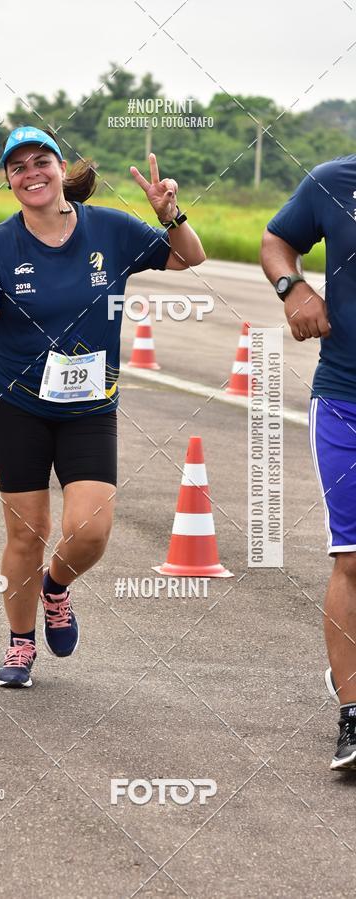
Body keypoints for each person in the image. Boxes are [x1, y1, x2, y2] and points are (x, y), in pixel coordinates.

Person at [0, 125, 206, 688]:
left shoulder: (110, 228)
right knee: (27, 533)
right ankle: (20, 644)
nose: (32, 174)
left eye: (41, 162)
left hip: (89, 405)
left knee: (92, 530)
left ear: (60, 168)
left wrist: (169, 213)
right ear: (9, 180)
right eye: (18, 167)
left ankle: (56, 586)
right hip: (16, 402)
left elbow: (187, 258)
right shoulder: (2, 245)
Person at [261, 158, 356, 770]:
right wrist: (291, 288)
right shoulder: (333, 181)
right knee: (352, 558)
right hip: (347, 396)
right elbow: (277, 241)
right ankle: (353, 712)